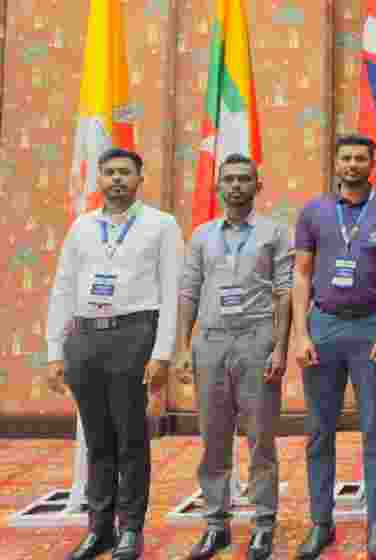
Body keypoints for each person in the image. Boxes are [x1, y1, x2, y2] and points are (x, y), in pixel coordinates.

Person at [46, 148, 183, 560]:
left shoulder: (161, 225)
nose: (116, 179)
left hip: (134, 334)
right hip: (85, 339)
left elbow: (172, 293)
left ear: (141, 179)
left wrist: (162, 353)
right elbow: (63, 288)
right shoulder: (82, 227)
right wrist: (56, 350)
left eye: (125, 172)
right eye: (109, 172)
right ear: (99, 179)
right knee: (97, 438)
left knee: (130, 439)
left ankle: (130, 530)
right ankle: (99, 528)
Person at [291, 134, 376, 560]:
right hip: (323, 328)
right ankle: (321, 523)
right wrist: (302, 334)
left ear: (372, 163)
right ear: (336, 162)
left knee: (375, 430)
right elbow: (301, 275)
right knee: (319, 432)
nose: (352, 164)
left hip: (372, 329)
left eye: (360, 158)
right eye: (345, 158)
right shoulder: (314, 211)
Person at [175, 154, 293, 560]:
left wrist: (280, 346)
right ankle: (215, 524)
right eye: (229, 179)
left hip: (256, 340)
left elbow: (284, 292)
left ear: (257, 187)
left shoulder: (275, 232)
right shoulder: (202, 235)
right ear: (218, 187)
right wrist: (182, 347)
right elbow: (189, 291)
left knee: (260, 436)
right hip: (210, 341)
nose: (237, 185)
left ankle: (263, 523)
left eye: (245, 179)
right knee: (213, 436)